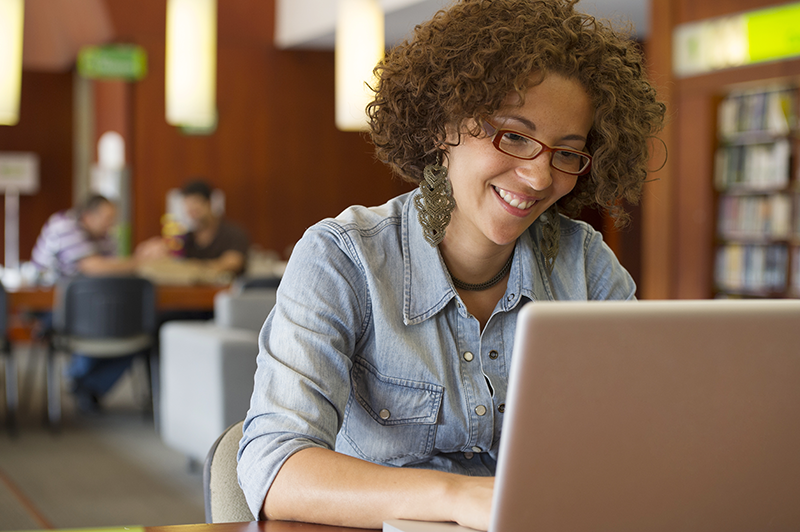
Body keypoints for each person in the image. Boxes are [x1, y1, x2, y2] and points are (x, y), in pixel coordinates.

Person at [237, 0, 666, 529]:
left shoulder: (585, 263)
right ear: (444, 126)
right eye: (513, 135)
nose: (537, 176)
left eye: (565, 153)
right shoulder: (344, 259)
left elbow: (640, 441)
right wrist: (463, 498)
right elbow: (274, 468)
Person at [31, 194, 146, 411]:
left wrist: (136, 258)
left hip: (93, 307)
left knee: (137, 326)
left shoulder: (104, 236)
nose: (110, 224)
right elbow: (93, 267)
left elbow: (113, 272)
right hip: (52, 306)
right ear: (87, 216)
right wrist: (141, 261)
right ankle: (81, 379)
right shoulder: (62, 225)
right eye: (106, 218)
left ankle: (83, 381)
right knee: (100, 321)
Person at [177, 179, 249, 276]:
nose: (192, 209)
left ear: (209, 202)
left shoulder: (233, 233)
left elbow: (234, 262)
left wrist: (195, 267)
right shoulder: (187, 237)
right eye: (188, 204)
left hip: (227, 289)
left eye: (196, 202)